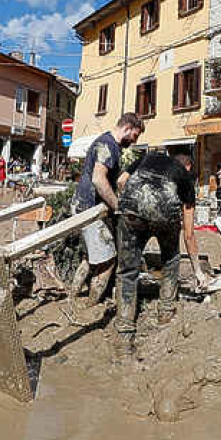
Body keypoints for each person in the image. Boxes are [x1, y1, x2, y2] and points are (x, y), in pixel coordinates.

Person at [110, 151, 211, 359]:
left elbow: (121, 181)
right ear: (188, 167)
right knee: (171, 258)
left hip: (132, 210)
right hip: (165, 214)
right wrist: (198, 272)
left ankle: (124, 338)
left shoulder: (148, 157)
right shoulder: (184, 177)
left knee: (127, 271)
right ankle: (165, 313)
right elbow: (189, 234)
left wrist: (128, 206)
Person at [67, 114, 145, 304]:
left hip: (82, 205)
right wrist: (118, 206)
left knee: (90, 256)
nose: (135, 141)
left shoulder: (108, 144)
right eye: (135, 136)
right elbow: (98, 179)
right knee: (108, 260)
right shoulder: (108, 145)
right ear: (127, 128)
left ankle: (72, 297)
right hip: (90, 208)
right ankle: (90, 305)